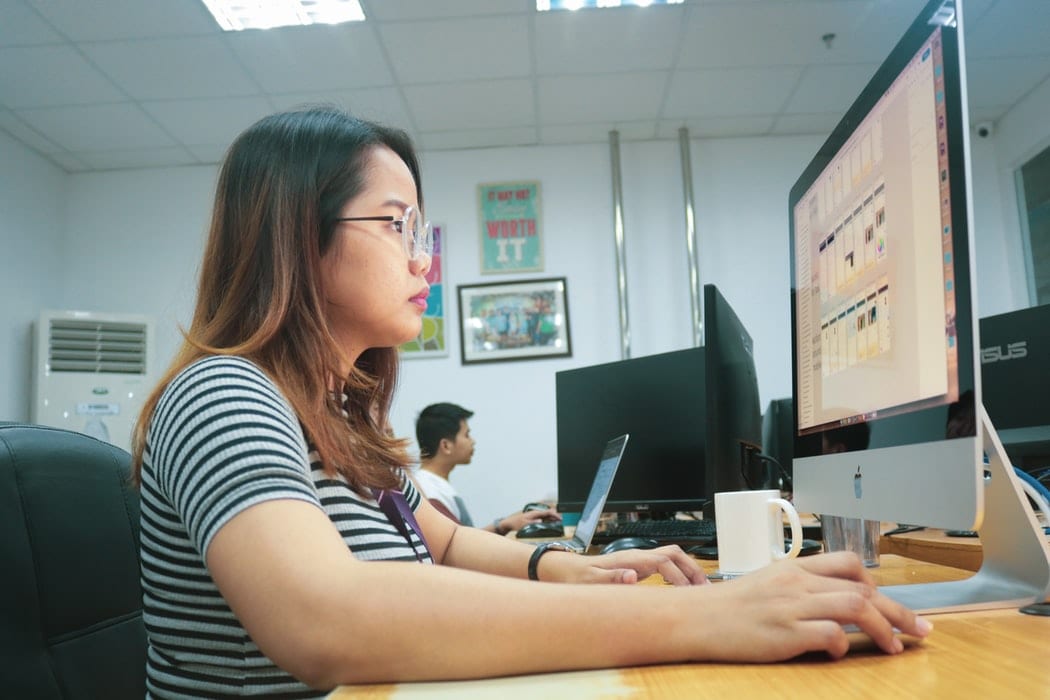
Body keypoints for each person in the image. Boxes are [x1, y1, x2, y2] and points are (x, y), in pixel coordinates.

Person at [131, 106, 929, 698]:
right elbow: (322, 618)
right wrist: (703, 620)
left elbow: (439, 542)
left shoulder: (338, 418)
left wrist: (567, 567)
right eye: (398, 226)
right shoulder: (226, 392)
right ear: (298, 235)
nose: (423, 259)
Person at [414, 401, 560, 534]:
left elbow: (463, 539)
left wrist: (513, 519)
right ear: (446, 446)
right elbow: (460, 547)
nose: (473, 441)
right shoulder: (431, 493)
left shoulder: (433, 485)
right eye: (467, 435)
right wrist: (502, 525)